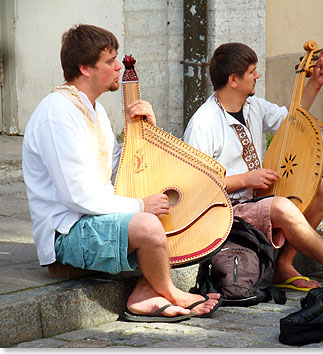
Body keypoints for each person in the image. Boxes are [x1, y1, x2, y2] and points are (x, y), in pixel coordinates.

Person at [22, 24, 221, 323]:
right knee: (149, 226)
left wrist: (146, 132)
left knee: (175, 219)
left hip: (94, 219)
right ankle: (170, 291)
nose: (119, 67)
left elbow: (122, 170)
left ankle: (143, 294)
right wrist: (139, 206)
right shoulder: (57, 114)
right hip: (66, 232)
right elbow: (76, 196)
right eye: (110, 61)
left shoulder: (95, 110)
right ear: (85, 68)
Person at [184, 42, 323, 290]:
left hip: (258, 198)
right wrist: (245, 179)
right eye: (252, 71)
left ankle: (284, 265)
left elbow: (291, 119)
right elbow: (196, 186)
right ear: (233, 80)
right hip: (226, 211)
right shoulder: (203, 123)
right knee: (282, 206)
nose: (257, 76)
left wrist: (315, 82)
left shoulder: (253, 106)